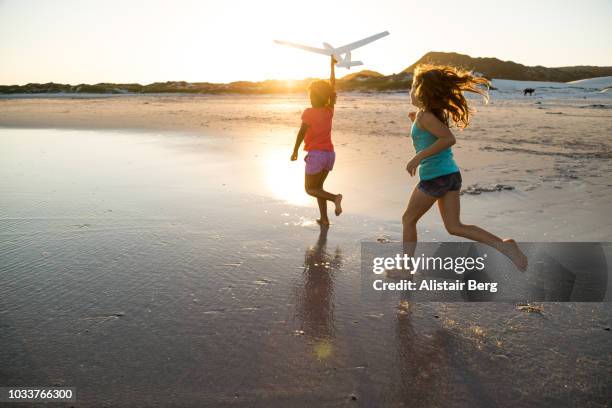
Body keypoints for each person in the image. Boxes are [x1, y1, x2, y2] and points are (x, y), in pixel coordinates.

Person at [403, 64, 528, 271]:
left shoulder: (426, 117)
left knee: (408, 219)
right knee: (454, 227)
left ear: (421, 91)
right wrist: (414, 120)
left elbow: (448, 139)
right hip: (450, 175)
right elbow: (431, 132)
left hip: (435, 177)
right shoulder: (425, 115)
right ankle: (506, 247)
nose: (410, 89)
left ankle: (405, 269)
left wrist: (418, 157)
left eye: (413, 85)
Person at [291, 56, 343, 225]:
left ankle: (335, 197)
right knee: (318, 188)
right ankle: (325, 219)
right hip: (330, 155)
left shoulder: (308, 112)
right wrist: (332, 66)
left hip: (316, 155)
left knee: (309, 189)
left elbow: (301, 132)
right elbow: (332, 86)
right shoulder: (329, 110)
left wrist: (295, 150)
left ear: (313, 95)